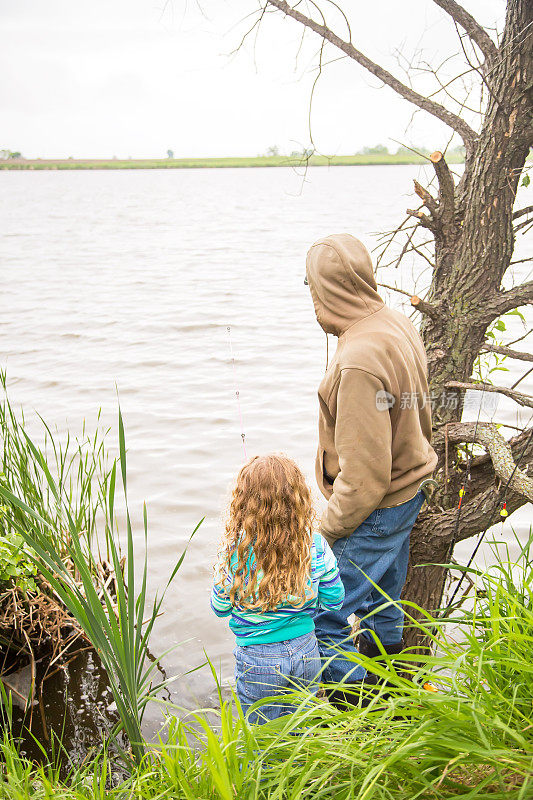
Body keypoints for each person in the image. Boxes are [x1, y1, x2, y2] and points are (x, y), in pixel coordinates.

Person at [305, 233, 438, 695]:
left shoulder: (358, 360)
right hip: (406, 494)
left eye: (311, 287)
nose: (310, 298)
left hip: (375, 509)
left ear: (329, 289)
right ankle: (389, 695)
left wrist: (326, 529)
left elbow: (363, 479)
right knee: (383, 605)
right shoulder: (394, 321)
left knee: (324, 612)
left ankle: (348, 717)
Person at [211, 453, 345, 723]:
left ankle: (268, 767)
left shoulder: (235, 553)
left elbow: (220, 608)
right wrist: (303, 603)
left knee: (262, 732)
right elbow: (335, 600)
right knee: (299, 728)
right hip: (306, 650)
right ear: (299, 499)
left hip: (257, 657)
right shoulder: (315, 546)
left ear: (243, 503)